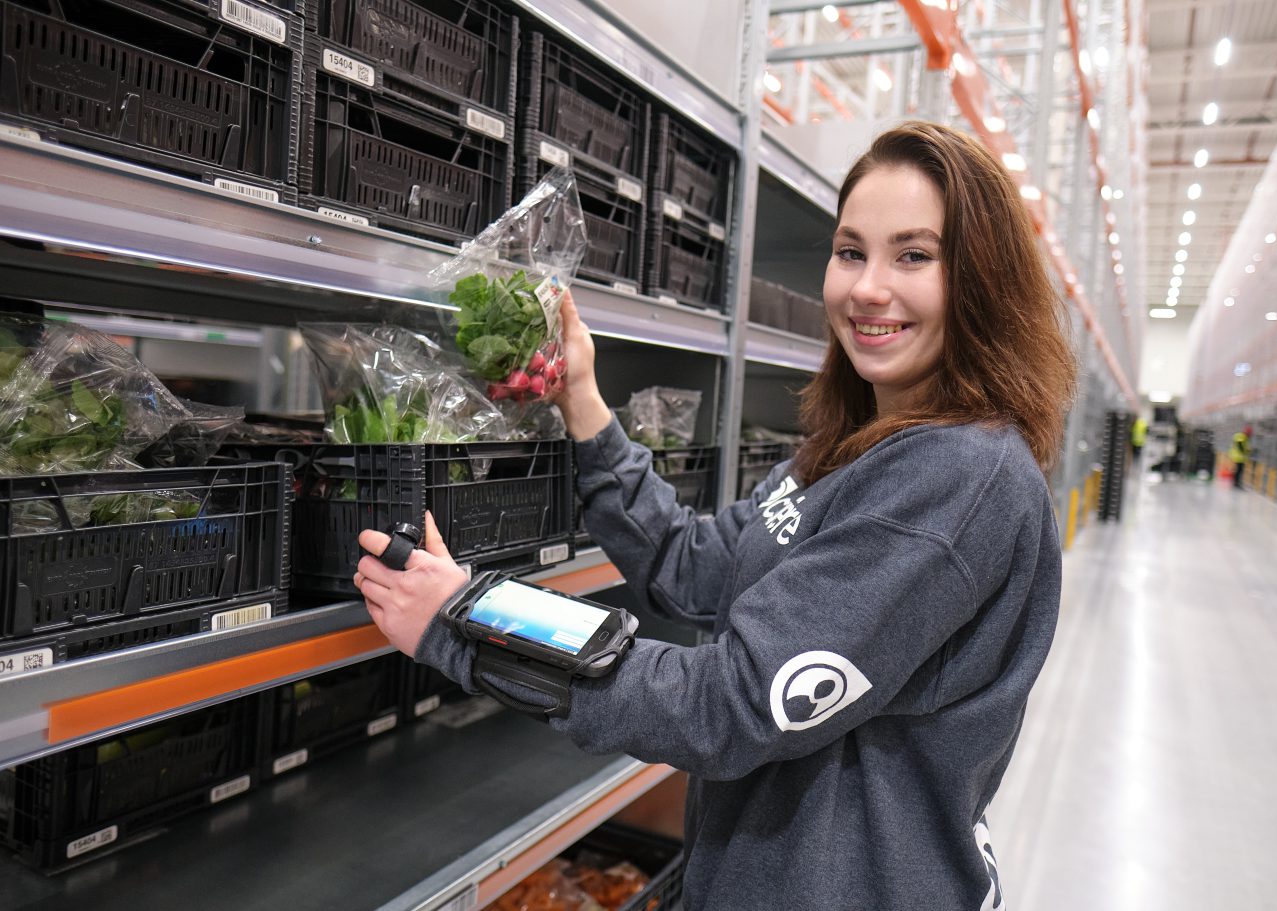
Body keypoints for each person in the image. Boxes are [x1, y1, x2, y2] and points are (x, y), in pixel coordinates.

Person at [353, 121, 1077, 909]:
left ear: (981, 279)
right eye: (850, 251)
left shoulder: (956, 479)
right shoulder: (854, 444)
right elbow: (695, 568)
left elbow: (725, 704)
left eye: (914, 255)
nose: (869, 287)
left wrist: (462, 622)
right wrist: (584, 402)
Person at [1230, 425, 1251, 489]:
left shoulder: (1242, 436)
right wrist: (1245, 451)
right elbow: (1240, 445)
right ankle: (1236, 483)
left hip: (1237, 456)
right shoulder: (1241, 436)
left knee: (1238, 470)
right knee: (1239, 471)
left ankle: (1235, 483)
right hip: (1239, 457)